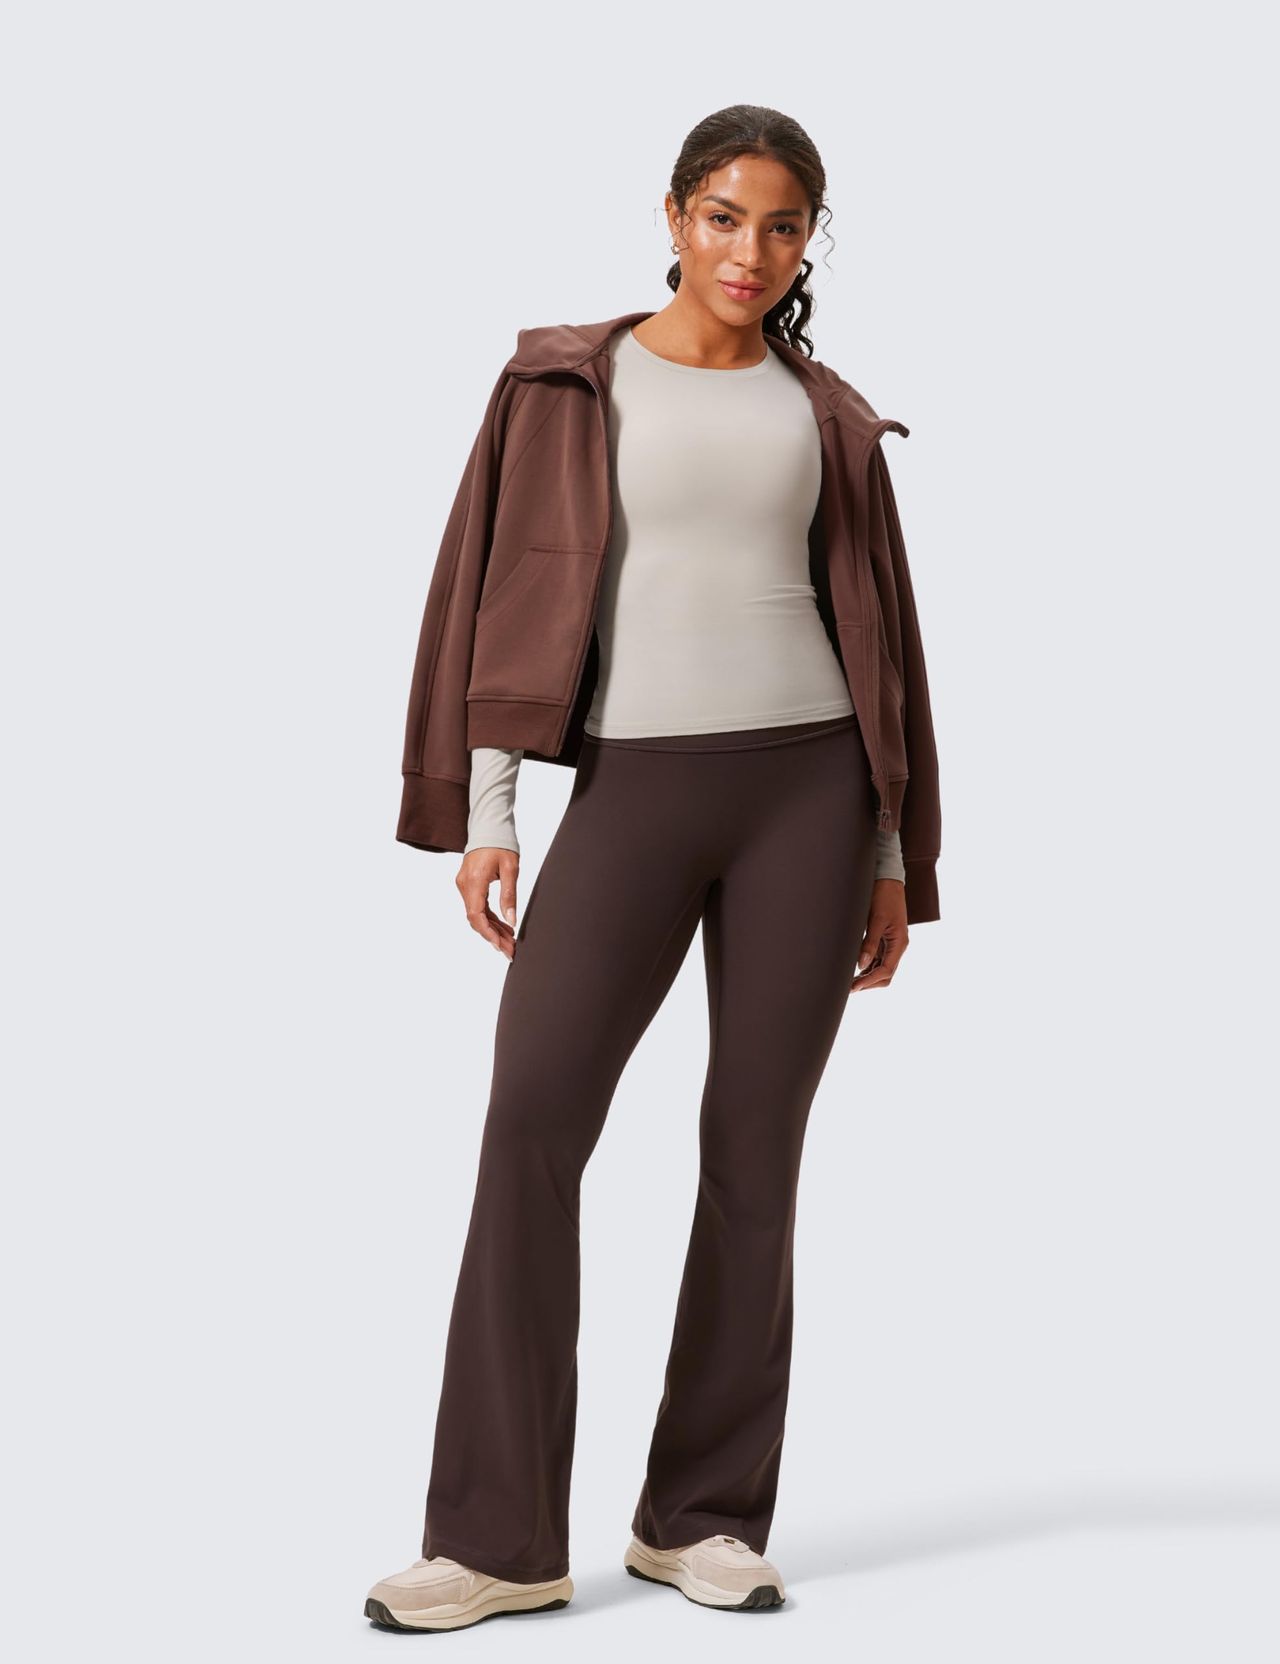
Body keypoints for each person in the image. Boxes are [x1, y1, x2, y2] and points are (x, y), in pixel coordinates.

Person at [365, 103, 942, 1634]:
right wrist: (492, 814)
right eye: (725, 215)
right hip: (632, 788)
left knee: (756, 1155)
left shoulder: (825, 413)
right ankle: (496, 1538)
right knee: (531, 1125)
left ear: (809, 242)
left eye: (783, 224)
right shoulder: (567, 381)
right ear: (676, 217)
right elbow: (493, 588)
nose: (751, 249)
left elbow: (882, 642)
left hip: (811, 793)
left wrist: (890, 852)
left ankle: (704, 1519)